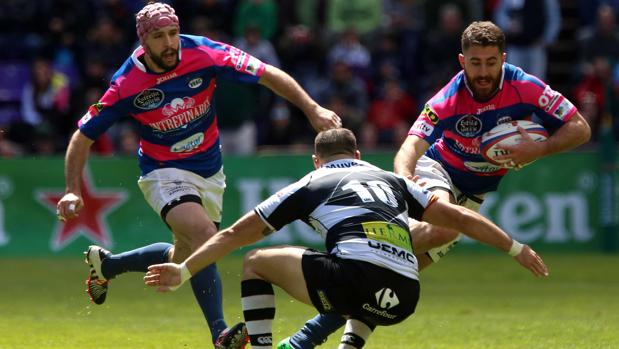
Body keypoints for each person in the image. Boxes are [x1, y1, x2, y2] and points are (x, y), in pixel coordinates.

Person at [278, 20, 591, 349]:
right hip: (438, 171)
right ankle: (357, 243)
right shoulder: (451, 96)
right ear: (462, 61)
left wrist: (539, 148)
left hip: (473, 194)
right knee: (439, 230)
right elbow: (411, 145)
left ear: (503, 58)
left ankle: (308, 339)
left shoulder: (526, 87)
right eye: (475, 63)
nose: (483, 71)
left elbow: (580, 128)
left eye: (490, 62)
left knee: (396, 272)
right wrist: (404, 174)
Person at [55, 2, 341, 346]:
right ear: (143, 42)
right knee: (206, 237)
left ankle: (109, 267)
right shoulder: (127, 83)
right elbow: (82, 136)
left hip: (210, 170)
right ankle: (219, 333)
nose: (169, 42)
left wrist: (312, 109)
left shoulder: (204, 52)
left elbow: (266, 72)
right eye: (159, 36)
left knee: (186, 254)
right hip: (162, 171)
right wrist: (73, 189)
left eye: (173, 33)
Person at [144, 128, 548, 349]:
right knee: (372, 264)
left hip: (355, 275)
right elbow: (459, 217)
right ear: (357, 155)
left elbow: (233, 234)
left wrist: (184, 268)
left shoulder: (313, 180)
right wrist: (515, 247)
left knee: (255, 262)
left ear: (317, 161)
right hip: (405, 297)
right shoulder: (392, 180)